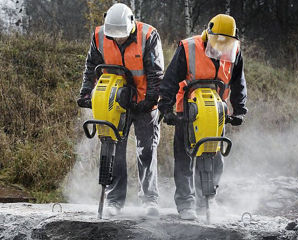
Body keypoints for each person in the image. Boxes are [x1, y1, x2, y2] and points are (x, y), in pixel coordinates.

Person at [77, 3, 164, 216]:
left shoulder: (148, 35)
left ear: (131, 25)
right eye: (114, 36)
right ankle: (114, 201)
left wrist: (150, 101)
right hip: (114, 101)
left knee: (147, 150)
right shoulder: (99, 36)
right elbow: (91, 67)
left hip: (144, 102)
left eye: (121, 35)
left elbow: (155, 73)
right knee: (113, 149)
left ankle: (149, 200)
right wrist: (86, 92)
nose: (118, 39)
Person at [158, 14, 248, 220]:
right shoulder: (189, 48)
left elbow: (238, 83)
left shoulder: (234, 51)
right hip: (187, 111)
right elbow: (170, 79)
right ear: (209, 34)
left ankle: (207, 200)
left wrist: (240, 110)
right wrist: (166, 108)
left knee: (214, 158)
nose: (221, 47)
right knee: (184, 159)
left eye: (226, 43)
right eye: (218, 42)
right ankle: (185, 203)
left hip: (216, 113)